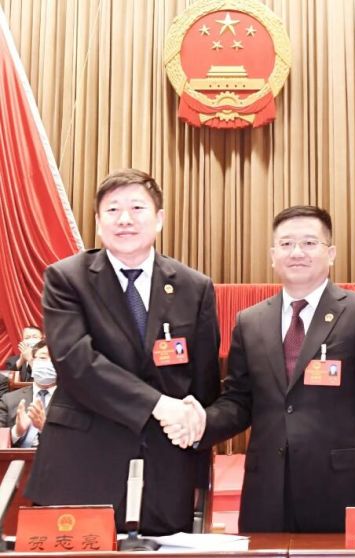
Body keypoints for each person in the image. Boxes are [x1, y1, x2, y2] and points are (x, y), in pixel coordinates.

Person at [169, 205, 355, 533]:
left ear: (331, 253)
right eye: (286, 244)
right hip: (266, 494)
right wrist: (201, 422)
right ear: (272, 255)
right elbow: (240, 401)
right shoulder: (250, 321)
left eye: (309, 243)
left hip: (341, 494)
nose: (297, 252)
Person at [25, 169, 221, 535]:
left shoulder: (194, 287)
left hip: (164, 473)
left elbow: (203, 385)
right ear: (98, 222)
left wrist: (196, 470)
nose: (125, 219)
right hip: (80, 465)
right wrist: (158, 404)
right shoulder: (67, 278)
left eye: (137, 208)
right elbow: (76, 363)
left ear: (159, 218)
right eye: (112, 210)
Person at [0, 340, 56, 447]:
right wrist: (17, 432)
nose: (48, 363)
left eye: (54, 359)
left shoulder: (73, 401)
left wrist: (45, 429)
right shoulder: (9, 399)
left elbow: (79, 442)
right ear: (32, 362)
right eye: (43, 358)